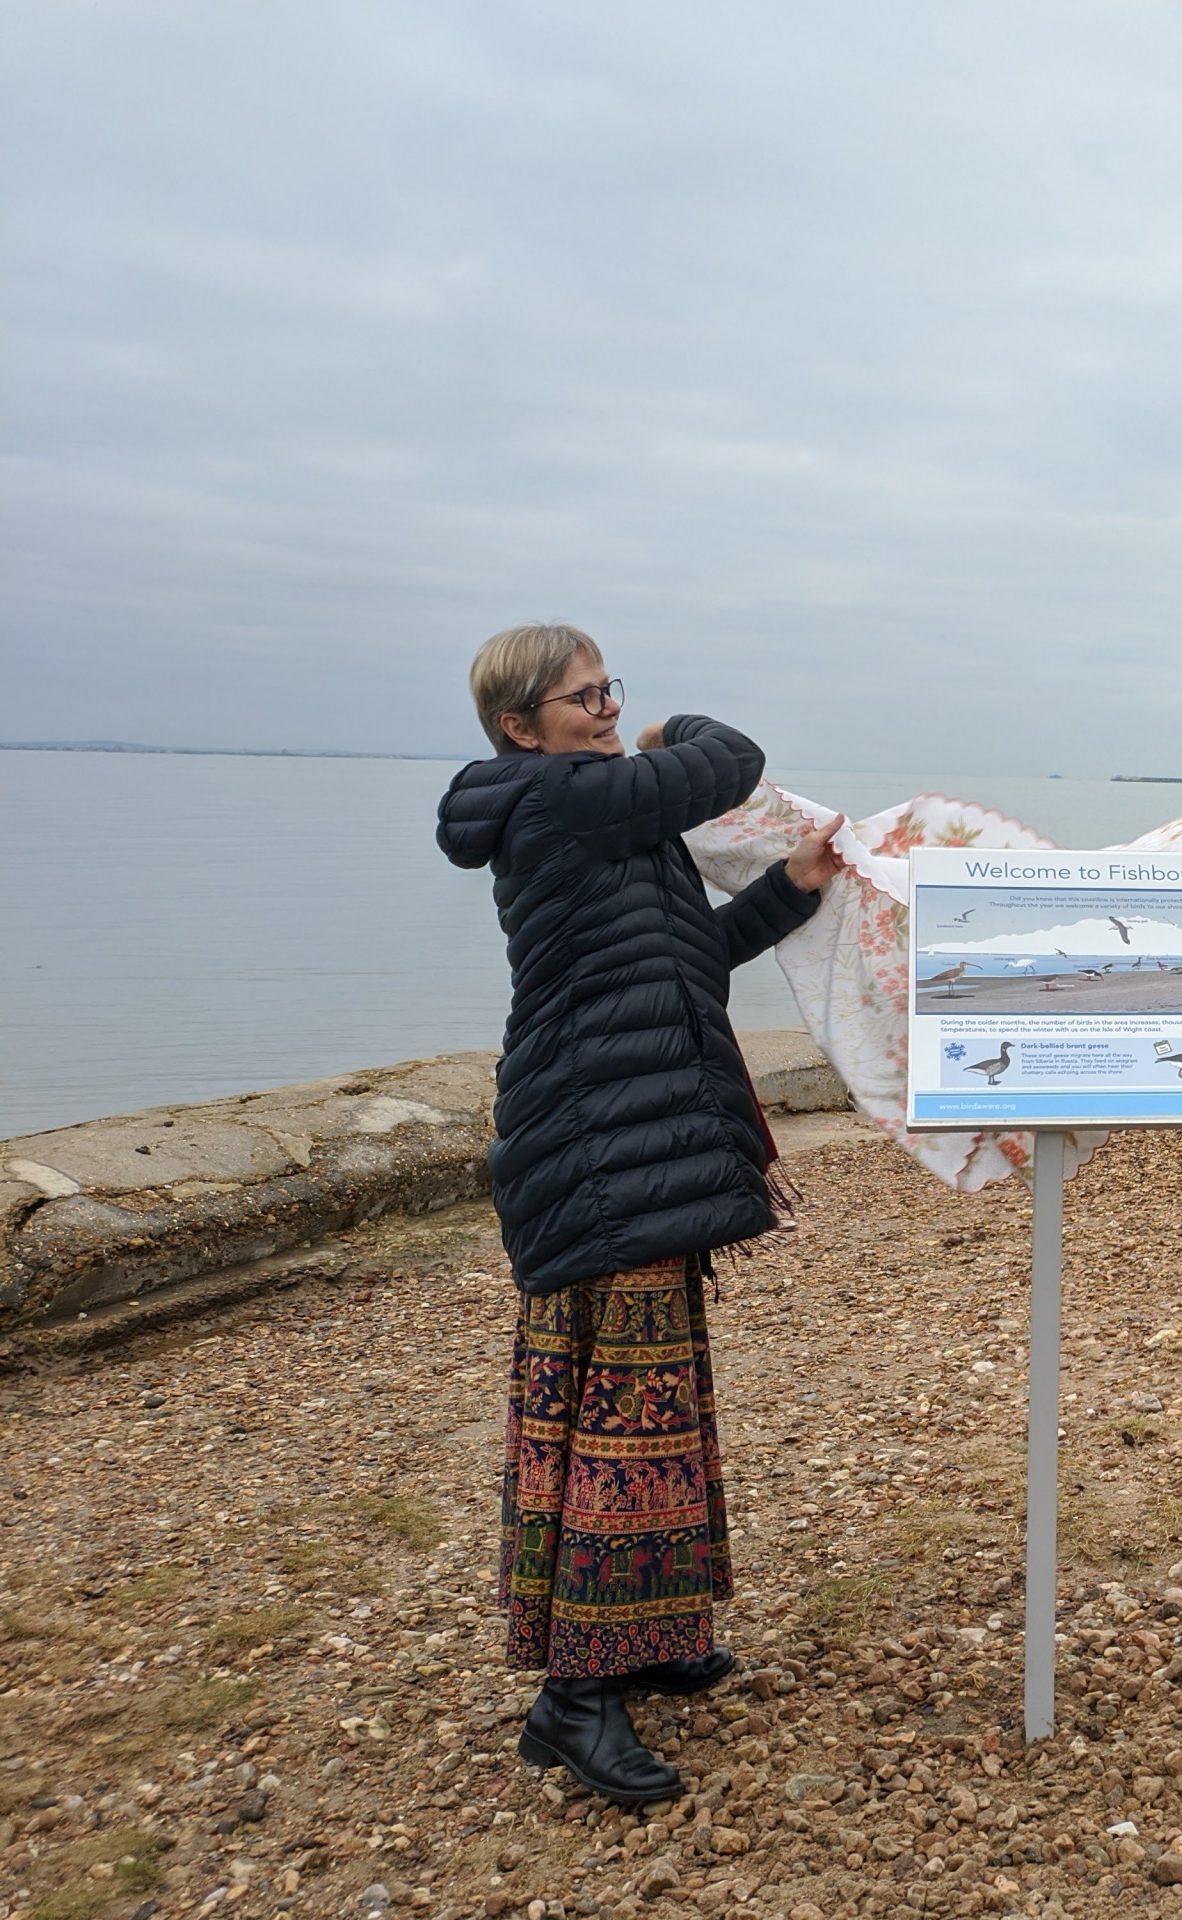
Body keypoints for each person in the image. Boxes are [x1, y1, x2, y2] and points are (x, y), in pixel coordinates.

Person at [435, 623, 848, 1805]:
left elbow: (687, 963)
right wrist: (679, 731)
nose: (610, 709)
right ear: (522, 727)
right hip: (597, 1152)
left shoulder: (598, 816)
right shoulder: (561, 799)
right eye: (584, 697)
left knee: (648, 1413)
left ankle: (648, 1637)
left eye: (612, 690)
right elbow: (734, 760)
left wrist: (789, 889)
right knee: (615, 1433)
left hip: (629, 1142)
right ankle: (575, 1700)